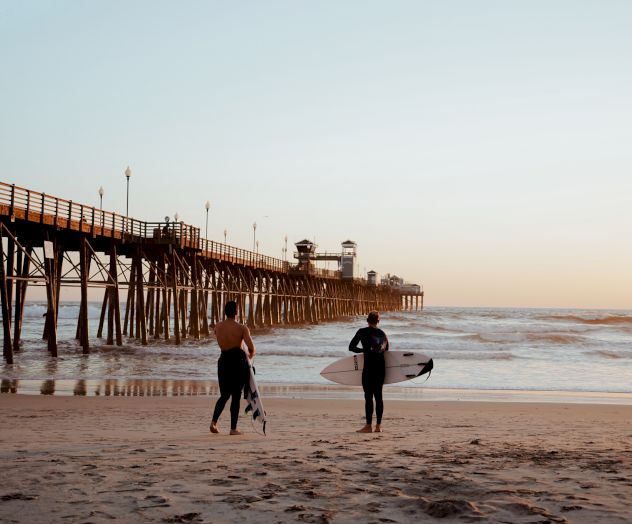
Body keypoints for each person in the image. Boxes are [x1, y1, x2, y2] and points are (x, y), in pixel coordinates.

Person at [210, 301, 256, 435]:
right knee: (236, 395)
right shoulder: (242, 328)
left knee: (224, 395)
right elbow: (252, 348)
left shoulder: (218, 327)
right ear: (237, 312)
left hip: (223, 361)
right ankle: (233, 428)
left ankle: (214, 422)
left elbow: (222, 340)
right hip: (237, 362)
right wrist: (249, 356)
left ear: (225, 312)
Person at [349, 310, 389, 433]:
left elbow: (351, 347)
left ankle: (368, 426)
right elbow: (386, 350)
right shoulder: (382, 334)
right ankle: (378, 426)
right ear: (378, 321)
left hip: (369, 368)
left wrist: (364, 350)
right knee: (379, 397)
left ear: (367, 320)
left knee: (368, 397)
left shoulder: (362, 332)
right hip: (381, 368)